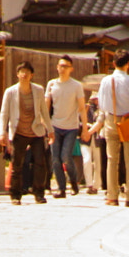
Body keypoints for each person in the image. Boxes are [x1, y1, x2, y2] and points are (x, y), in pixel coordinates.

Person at [88, 49, 129, 206]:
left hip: (111, 119)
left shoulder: (106, 81)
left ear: (113, 63)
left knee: (112, 160)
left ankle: (112, 196)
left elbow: (103, 104)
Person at [0, 61, 52, 204]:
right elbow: (4, 113)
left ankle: (39, 193)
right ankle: (15, 195)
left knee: (40, 163)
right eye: (21, 72)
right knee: (17, 164)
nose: (24, 75)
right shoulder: (10, 92)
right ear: (17, 74)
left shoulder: (38, 90)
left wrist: (50, 129)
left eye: (27, 72)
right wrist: (1, 133)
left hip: (36, 131)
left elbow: (43, 111)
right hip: (18, 132)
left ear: (31, 75)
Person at [45, 55, 86, 199]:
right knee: (55, 159)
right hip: (55, 125)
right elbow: (46, 106)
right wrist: (46, 126)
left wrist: (85, 128)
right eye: (60, 66)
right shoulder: (51, 85)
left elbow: (81, 108)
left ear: (71, 69)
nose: (62, 69)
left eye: (66, 66)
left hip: (71, 127)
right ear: (57, 67)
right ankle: (61, 189)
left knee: (66, 157)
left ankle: (74, 181)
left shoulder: (76, 86)